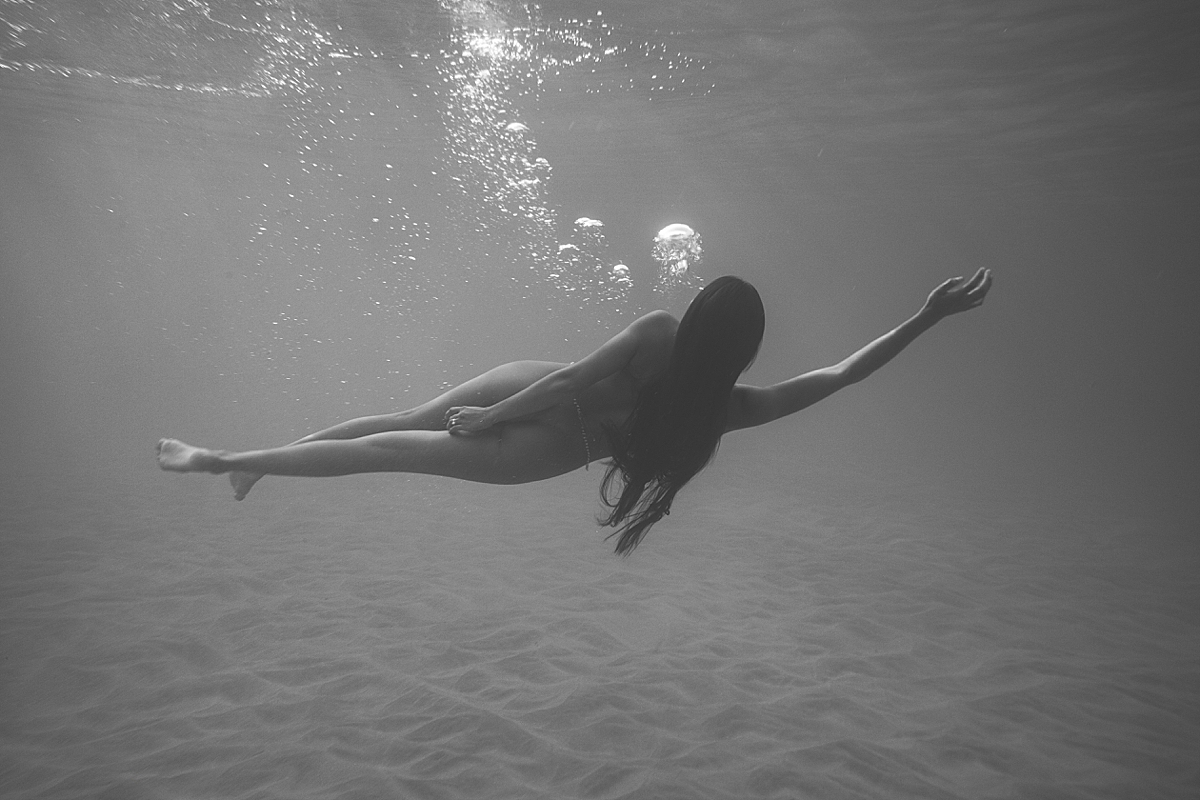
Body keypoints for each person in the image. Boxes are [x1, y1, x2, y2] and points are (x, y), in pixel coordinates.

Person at [158, 269, 992, 553]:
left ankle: (246, 463)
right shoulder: (729, 408)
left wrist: (489, 415)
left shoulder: (661, 330)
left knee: (391, 422)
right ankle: (235, 467)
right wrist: (926, 318)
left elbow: (567, 380)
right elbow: (843, 374)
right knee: (394, 450)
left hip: (528, 387)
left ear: (697, 317)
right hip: (545, 451)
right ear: (743, 347)